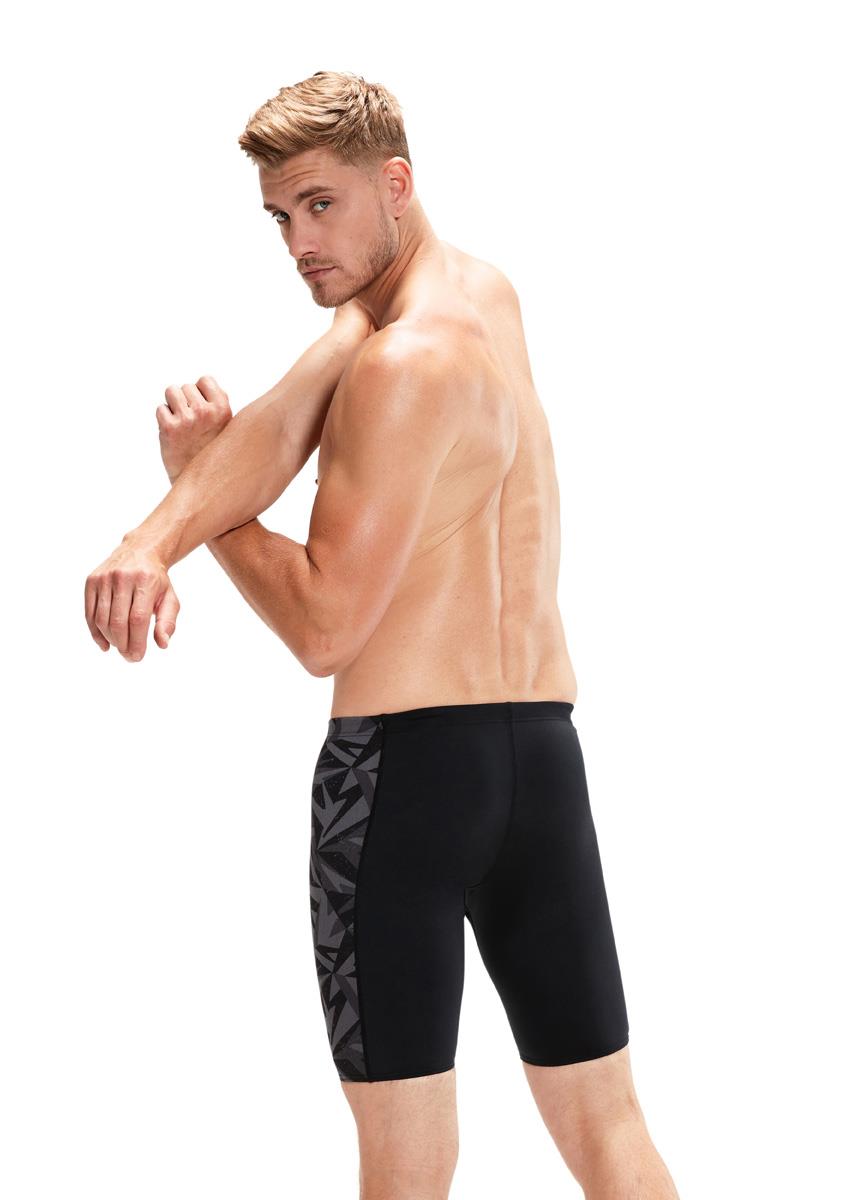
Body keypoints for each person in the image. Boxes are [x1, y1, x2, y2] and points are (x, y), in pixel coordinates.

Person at [84, 70, 679, 1200]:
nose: (298, 243)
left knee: (407, 1168)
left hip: (402, 782)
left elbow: (323, 626)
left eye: (320, 205)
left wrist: (209, 521)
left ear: (393, 184)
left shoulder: (398, 365)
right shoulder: (476, 296)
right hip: (539, 762)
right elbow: (287, 413)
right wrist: (152, 537)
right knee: (609, 1130)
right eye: (278, 217)